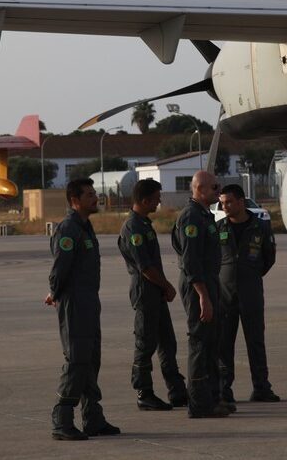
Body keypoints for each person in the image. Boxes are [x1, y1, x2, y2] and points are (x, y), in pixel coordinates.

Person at [44, 178, 120, 441]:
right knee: (77, 360)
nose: (95, 198)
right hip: (75, 304)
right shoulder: (69, 229)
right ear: (74, 200)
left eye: (94, 194)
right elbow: (59, 271)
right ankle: (62, 419)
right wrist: (55, 294)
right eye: (89, 195)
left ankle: (93, 418)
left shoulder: (85, 227)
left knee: (91, 360)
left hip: (88, 302)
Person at [117, 178, 188, 411]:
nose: (159, 202)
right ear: (145, 199)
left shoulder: (144, 224)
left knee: (167, 343)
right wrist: (167, 285)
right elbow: (144, 266)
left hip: (155, 290)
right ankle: (144, 392)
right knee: (145, 344)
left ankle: (177, 391)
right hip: (145, 290)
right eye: (157, 198)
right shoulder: (133, 228)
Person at [171, 170, 230, 418]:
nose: (219, 192)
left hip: (209, 283)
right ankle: (199, 403)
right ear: (200, 189)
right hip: (198, 286)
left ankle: (212, 397)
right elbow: (191, 261)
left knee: (211, 341)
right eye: (215, 187)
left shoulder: (205, 215)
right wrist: (203, 297)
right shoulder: (191, 218)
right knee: (199, 342)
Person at [216, 184, 280, 405]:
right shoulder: (218, 228)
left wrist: (250, 276)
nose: (225, 207)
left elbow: (268, 258)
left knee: (255, 342)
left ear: (241, 202)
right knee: (224, 344)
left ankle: (261, 387)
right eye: (222, 203)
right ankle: (224, 388)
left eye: (229, 202)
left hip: (251, 293)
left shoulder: (260, 227)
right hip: (225, 296)